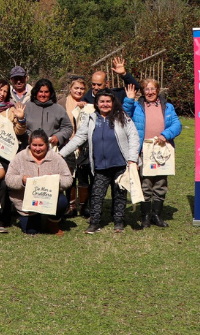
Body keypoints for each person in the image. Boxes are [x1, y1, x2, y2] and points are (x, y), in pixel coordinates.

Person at [58, 89, 140, 234]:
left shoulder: (122, 116)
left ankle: (119, 222)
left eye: (108, 101)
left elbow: (133, 137)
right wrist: (61, 154)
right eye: (102, 101)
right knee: (96, 195)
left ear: (113, 102)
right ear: (96, 103)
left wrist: (132, 159)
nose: (105, 104)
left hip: (120, 165)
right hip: (100, 166)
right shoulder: (91, 119)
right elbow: (78, 138)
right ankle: (95, 222)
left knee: (120, 195)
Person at [124, 79, 183, 229]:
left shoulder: (167, 107)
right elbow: (124, 115)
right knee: (146, 183)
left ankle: (156, 215)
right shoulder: (137, 106)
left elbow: (177, 125)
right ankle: (145, 217)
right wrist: (129, 100)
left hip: (163, 152)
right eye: (146, 89)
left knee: (160, 184)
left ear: (157, 90)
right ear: (143, 92)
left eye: (152, 89)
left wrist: (166, 134)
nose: (150, 92)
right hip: (144, 151)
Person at [6, 129, 73, 234]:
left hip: (48, 199)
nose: (37, 149)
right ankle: (35, 219)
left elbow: (68, 179)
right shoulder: (20, 157)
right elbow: (8, 179)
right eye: (34, 145)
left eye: (41, 145)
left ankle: (52, 223)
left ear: (47, 144)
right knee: (32, 231)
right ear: (30, 144)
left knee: (62, 201)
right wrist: (22, 180)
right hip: (26, 203)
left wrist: (56, 181)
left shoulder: (56, 158)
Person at [58, 76, 92, 217]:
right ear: (70, 88)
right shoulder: (62, 103)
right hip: (68, 143)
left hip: (84, 146)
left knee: (83, 176)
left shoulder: (89, 103)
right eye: (76, 88)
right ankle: (71, 206)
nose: (79, 91)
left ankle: (83, 206)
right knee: (70, 176)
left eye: (82, 88)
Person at [21, 79, 73, 148]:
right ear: (36, 92)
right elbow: (19, 127)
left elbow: (68, 128)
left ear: (50, 93)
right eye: (40, 92)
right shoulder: (26, 107)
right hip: (29, 148)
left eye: (46, 92)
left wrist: (58, 136)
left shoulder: (58, 109)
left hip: (51, 149)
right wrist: (27, 137)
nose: (43, 94)